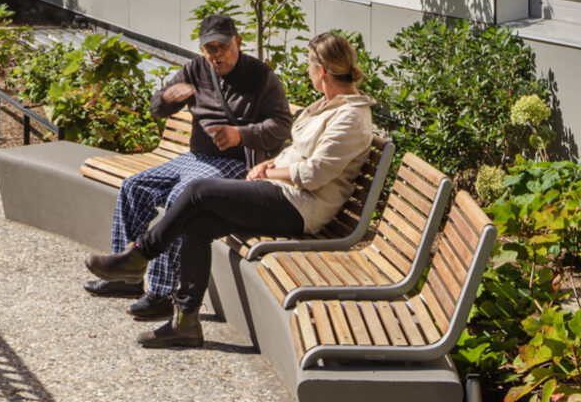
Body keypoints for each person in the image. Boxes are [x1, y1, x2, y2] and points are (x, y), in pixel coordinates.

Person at [87, 33, 377, 349]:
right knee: (198, 225)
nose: (308, 72)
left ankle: (140, 255)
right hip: (282, 193)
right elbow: (301, 153)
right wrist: (273, 164)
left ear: (321, 70)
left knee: (198, 191)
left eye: (309, 65)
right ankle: (185, 322)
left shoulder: (351, 116)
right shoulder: (327, 105)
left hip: (300, 207)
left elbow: (314, 174)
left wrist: (267, 170)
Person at [87, 13, 293, 322]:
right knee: (134, 186)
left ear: (238, 42)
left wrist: (241, 134)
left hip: (236, 164)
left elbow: (281, 125)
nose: (216, 55)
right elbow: (157, 108)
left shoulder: (261, 77)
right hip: (194, 159)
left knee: (180, 197)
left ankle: (160, 294)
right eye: (209, 48)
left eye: (222, 47)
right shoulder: (196, 69)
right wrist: (167, 98)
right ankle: (126, 278)